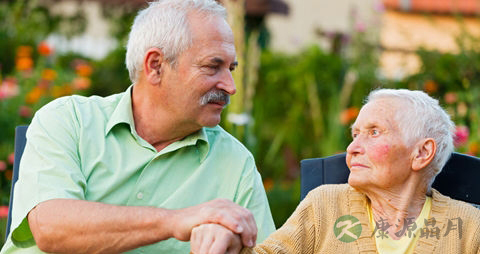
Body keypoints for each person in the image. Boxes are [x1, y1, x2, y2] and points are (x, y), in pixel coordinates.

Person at [1, 0, 276, 253]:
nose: (231, 86)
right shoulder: (69, 120)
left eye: (231, 68)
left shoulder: (236, 164)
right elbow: (51, 227)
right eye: (212, 67)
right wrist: (177, 221)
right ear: (155, 66)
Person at [190, 89, 480, 254]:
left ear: (421, 153)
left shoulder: (469, 227)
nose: (352, 148)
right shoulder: (324, 206)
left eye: (374, 132)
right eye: (354, 134)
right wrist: (230, 243)